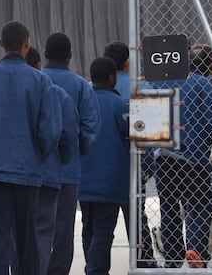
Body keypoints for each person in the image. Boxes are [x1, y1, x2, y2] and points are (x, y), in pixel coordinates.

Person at [0, 20, 62, 275]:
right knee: (27, 239)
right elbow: (51, 131)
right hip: (27, 173)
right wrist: (36, 155)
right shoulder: (41, 82)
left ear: (0, 43)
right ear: (27, 44)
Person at [142, 54, 212, 268]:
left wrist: (151, 160)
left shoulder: (152, 85)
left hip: (163, 158)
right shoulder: (201, 84)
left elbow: (146, 130)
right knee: (200, 205)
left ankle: (173, 258)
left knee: (169, 208)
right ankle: (196, 251)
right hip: (195, 159)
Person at [10, 47, 80, 275]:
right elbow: (68, 133)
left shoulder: (5, 92)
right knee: (42, 232)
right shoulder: (57, 92)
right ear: (39, 65)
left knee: (15, 233)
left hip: (13, 173)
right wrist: (60, 159)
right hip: (48, 173)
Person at [40, 33, 100, 275]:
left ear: (44, 54)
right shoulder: (80, 86)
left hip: (39, 169)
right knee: (64, 230)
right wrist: (79, 151)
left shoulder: (37, 80)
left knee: (38, 227)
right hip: (68, 170)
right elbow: (91, 126)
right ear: (70, 55)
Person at [101, 41, 157, 268]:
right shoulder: (141, 87)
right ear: (127, 63)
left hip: (102, 167)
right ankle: (144, 263)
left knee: (100, 227)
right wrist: (149, 168)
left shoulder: (91, 89)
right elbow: (151, 133)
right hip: (133, 167)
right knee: (136, 220)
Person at [79, 56, 131, 275]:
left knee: (88, 227)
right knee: (103, 229)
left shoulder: (81, 102)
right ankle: (96, 270)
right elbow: (132, 138)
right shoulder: (120, 105)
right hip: (110, 180)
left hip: (82, 178)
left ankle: (92, 266)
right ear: (112, 78)